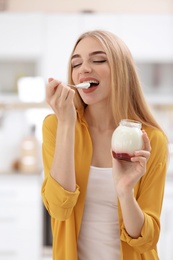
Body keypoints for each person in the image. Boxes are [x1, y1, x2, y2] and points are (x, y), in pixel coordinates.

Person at [41, 30, 168, 260]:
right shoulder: (55, 126)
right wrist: (67, 123)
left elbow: (146, 240)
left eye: (98, 60)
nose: (84, 69)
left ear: (122, 70)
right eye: (75, 64)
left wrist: (125, 192)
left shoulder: (150, 139)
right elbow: (59, 208)